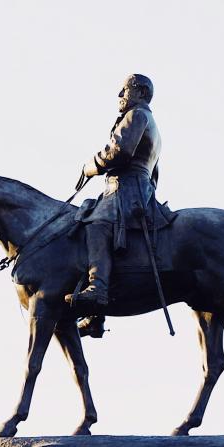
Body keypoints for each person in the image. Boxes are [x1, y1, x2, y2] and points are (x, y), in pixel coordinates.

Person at [65, 74, 162, 315]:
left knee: (97, 224)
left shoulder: (137, 115)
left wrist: (92, 165)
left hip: (127, 188)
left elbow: (119, 152)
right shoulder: (149, 121)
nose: (120, 96)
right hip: (136, 186)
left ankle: (98, 288)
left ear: (140, 92)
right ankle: (95, 315)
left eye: (124, 90)